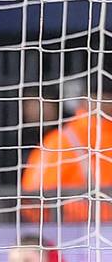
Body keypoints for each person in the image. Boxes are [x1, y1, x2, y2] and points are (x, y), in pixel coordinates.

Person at [20, 72, 112, 223]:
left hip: (73, 233)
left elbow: (32, 201)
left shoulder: (59, 140)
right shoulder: (61, 141)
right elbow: (32, 198)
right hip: (76, 232)